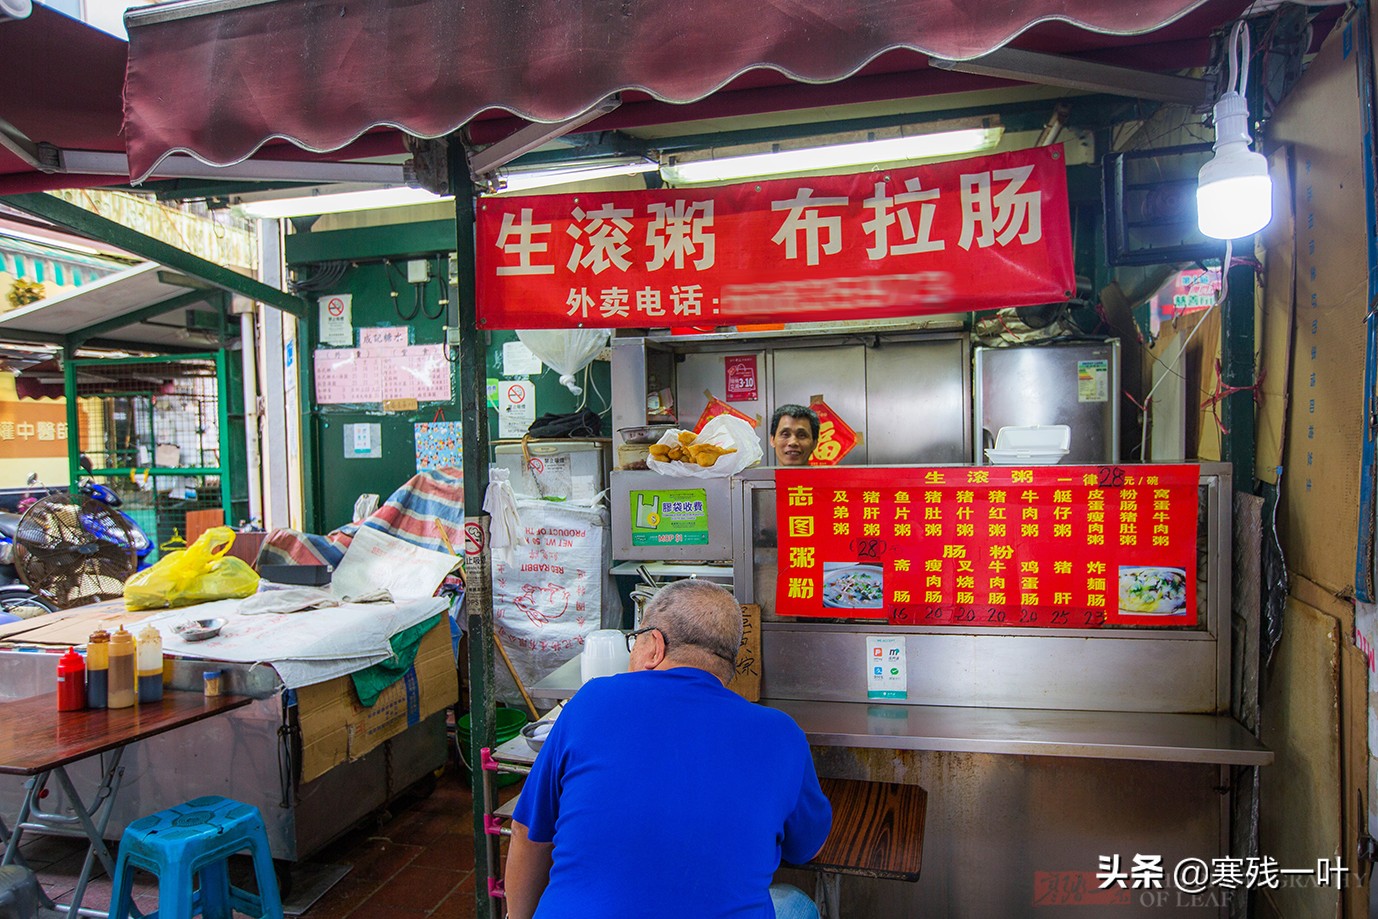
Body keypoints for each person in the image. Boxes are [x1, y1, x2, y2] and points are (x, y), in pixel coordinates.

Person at [505, 579, 832, 919]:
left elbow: (527, 833)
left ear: (654, 646)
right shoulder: (781, 733)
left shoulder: (590, 701)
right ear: (728, 665)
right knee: (795, 904)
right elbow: (808, 847)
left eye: (636, 640)